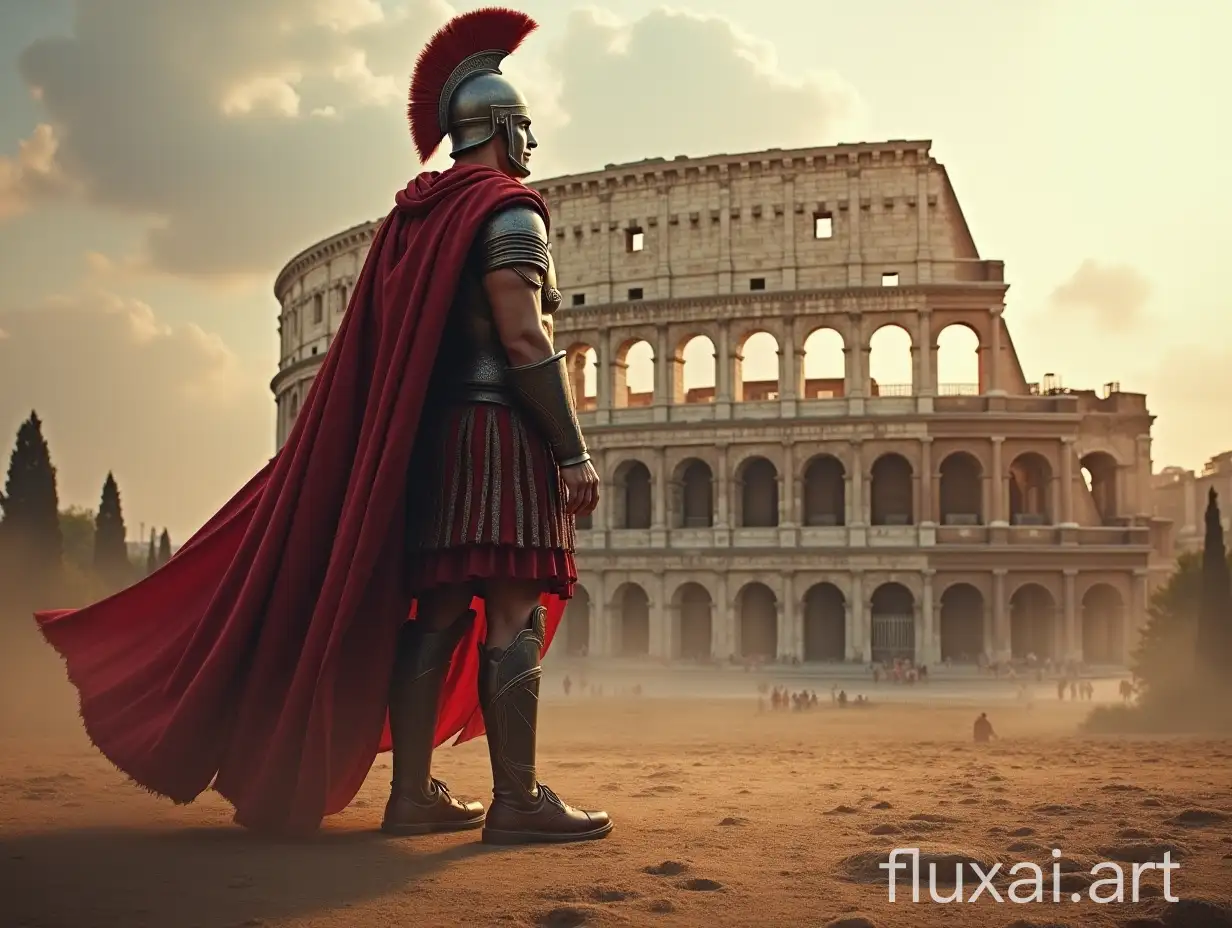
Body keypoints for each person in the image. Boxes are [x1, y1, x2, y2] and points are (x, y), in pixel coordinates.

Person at [33, 7, 610, 845]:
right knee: (513, 611)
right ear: (501, 128)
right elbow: (525, 335)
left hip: (435, 447)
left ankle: (411, 795)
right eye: (525, 126)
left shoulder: (415, 217)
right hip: (500, 437)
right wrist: (572, 451)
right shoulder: (510, 213)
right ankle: (517, 801)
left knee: (441, 611)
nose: (533, 143)